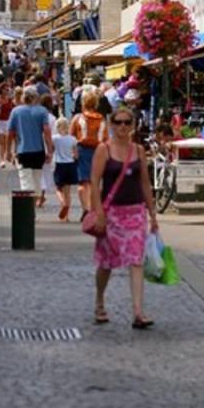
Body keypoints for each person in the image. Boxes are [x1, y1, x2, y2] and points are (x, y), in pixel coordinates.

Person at [90, 106, 158, 329]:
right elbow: (94, 184)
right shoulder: (104, 150)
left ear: (133, 125)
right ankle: (100, 300)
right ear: (111, 124)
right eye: (118, 122)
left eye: (127, 122)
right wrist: (99, 212)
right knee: (106, 263)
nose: (122, 126)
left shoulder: (139, 150)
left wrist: (152, 213)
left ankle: (138, 312)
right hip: (111, 215)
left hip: (135, 212)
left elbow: (145, 183)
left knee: (136, 261)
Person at [7, 86, 54, 195]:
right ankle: (34, 203)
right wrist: (50, 151)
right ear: (36, 97)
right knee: (37, 180)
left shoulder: (16, 111)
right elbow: (47, 131)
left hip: (23, 151)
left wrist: (8, 151)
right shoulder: (42, 111)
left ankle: (29, 207)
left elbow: (10, 133)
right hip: (38, 151)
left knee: (26, 181)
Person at [71, 91, 107, 219]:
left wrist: (73, 151)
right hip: (98, 150)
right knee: (94, 182)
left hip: (82, 150)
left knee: (82, 183)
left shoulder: (77, 118)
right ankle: (92, 208)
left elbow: (71, 137)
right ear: (96, 103)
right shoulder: (101, 119)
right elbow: (105, 137)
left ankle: (85, 208)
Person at [52, 117, 79, 221]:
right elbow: (76, 155)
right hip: (70, 164)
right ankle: (67, 216)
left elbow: (51, 148)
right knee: (67, 192)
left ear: (57, 127)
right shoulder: (73, 139)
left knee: (58, 188)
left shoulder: (55, 138)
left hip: (59, 164)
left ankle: (63, 203)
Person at [0, 86, 16, 168]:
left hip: (8, 122)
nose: (6, 91)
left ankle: (8, 155)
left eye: (7, 89)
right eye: (5, 89)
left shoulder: (10, 101)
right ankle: (2, 160)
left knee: (7, 141)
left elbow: (14, 109)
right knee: (1, 142)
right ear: (1, 90)